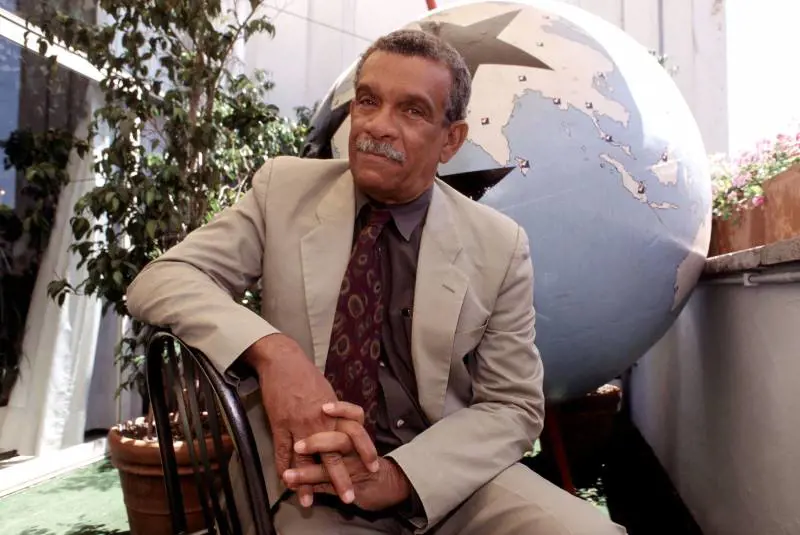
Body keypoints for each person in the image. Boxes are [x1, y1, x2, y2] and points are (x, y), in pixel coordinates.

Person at [126, 29, 626, 535]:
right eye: (368, 101)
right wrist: (275, 353)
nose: (378, 126)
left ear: (451, 140)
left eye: (412, 111)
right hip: (312, 476)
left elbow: (513, 406)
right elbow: (162, 279)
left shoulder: (498, 245)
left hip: (446, 476)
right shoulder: (283, 192)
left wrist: (401, 476)